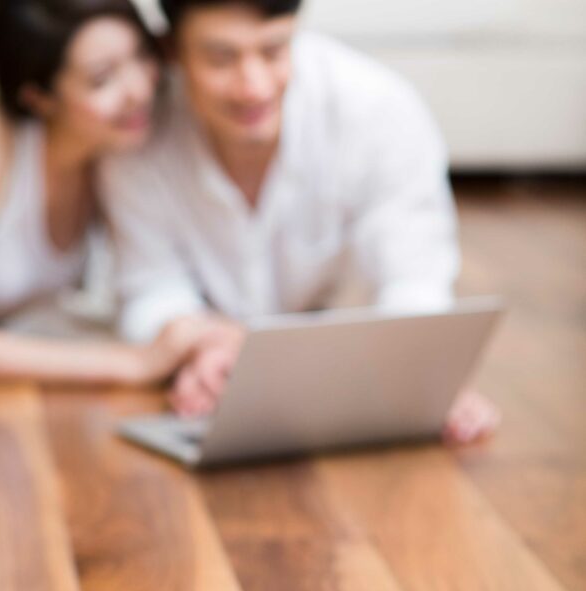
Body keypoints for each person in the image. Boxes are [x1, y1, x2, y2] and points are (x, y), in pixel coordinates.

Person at [100, 0, 499, 441]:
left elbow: (414, 279)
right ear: (171, 51)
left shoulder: (377, 110)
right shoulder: (137, 131)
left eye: (273, 51)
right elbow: (149, 286)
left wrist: (422, 374)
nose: (253, 86)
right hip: (203, 386)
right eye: (220, 58)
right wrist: (202, 343)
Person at [0, 0, 220, 385]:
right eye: (102, 79)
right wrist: (131, 365)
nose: (138, 90)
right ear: (38, 95)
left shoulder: (113, 146)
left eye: (141, 56)